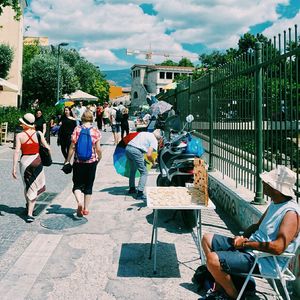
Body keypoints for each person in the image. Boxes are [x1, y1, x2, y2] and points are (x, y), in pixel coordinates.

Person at [201, 165, 300, 300]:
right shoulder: (275, 203)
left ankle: (233, 295)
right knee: (207, 239)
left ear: (277, 189)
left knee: (213, 259)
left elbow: (278, 248)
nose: (263, 183)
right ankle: (223, 284)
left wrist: (246, 244)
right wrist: (242, 237)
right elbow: (256, 226)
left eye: (268, 183)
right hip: (251, 249)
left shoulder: (290, 213)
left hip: (264, 260)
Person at [12, 113, 50, 223]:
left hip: (24, 162)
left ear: (25, 124)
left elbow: (17, 152)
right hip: (37, 161)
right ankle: (30, 212)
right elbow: (47, 147)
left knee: (27, 185)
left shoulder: (19, 135)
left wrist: (14, 167)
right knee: (35, 186)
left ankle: (28, 208)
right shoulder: (38, 133)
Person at [65, 110, 102, 217]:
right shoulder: (95, 131)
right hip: (91, 162)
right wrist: (99, 158)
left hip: (78, 161)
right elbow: (98, 149)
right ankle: (86, 209)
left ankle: (79, 202)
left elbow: (72, 146)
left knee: (77, 184)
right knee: (89, 185)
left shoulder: (77, 129)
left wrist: (68, 160)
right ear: (92, 119)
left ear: (82, 118)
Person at [125, 129, 162, 200]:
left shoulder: (144, 133)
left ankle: (132, 189)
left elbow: (142, 147)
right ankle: (140, 193)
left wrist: (143, 159)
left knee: (133, 169)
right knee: (144, 172)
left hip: (128, 148)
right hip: (136, 151)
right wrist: (153, 162)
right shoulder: (154, 140)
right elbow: (149, 155)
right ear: (159, 138)